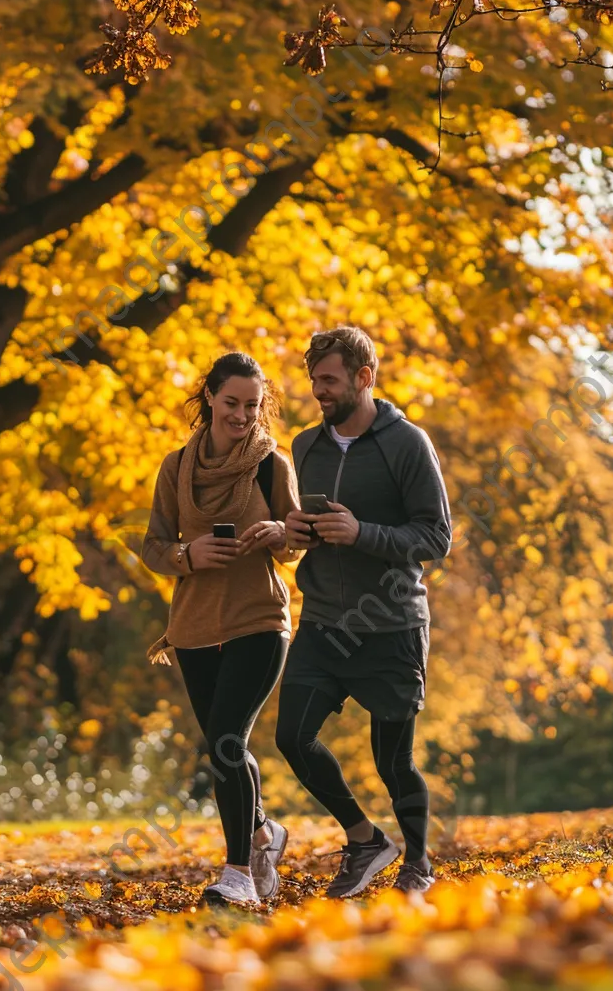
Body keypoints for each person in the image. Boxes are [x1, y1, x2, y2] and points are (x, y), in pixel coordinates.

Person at [276, 326, 453, 898]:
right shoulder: (305, 446)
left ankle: (418, 865)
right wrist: (297, 531)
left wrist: (362, 534)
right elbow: (305, 525)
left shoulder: (407, 444)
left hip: (391, 623)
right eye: (313, 382)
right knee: (291, 737)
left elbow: (435, 536)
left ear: (364, 377)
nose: (318, 392)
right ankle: (365, 840)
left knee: (393, 762)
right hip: (324, 620)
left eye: (328, 380)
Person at [140, 351, 302, 906]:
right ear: (209, 397)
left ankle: (238, 875)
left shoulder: (270, 464)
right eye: (232, 403)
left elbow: (295, 547)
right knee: (224, 747)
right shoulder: (176, 466)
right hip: (192, 628)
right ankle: (263, 833)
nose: (242, 416)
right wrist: (190, 552)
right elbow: (153, 547)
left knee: (228, 738)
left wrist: (280, 530)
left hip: (258, 619)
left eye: (253, 405)